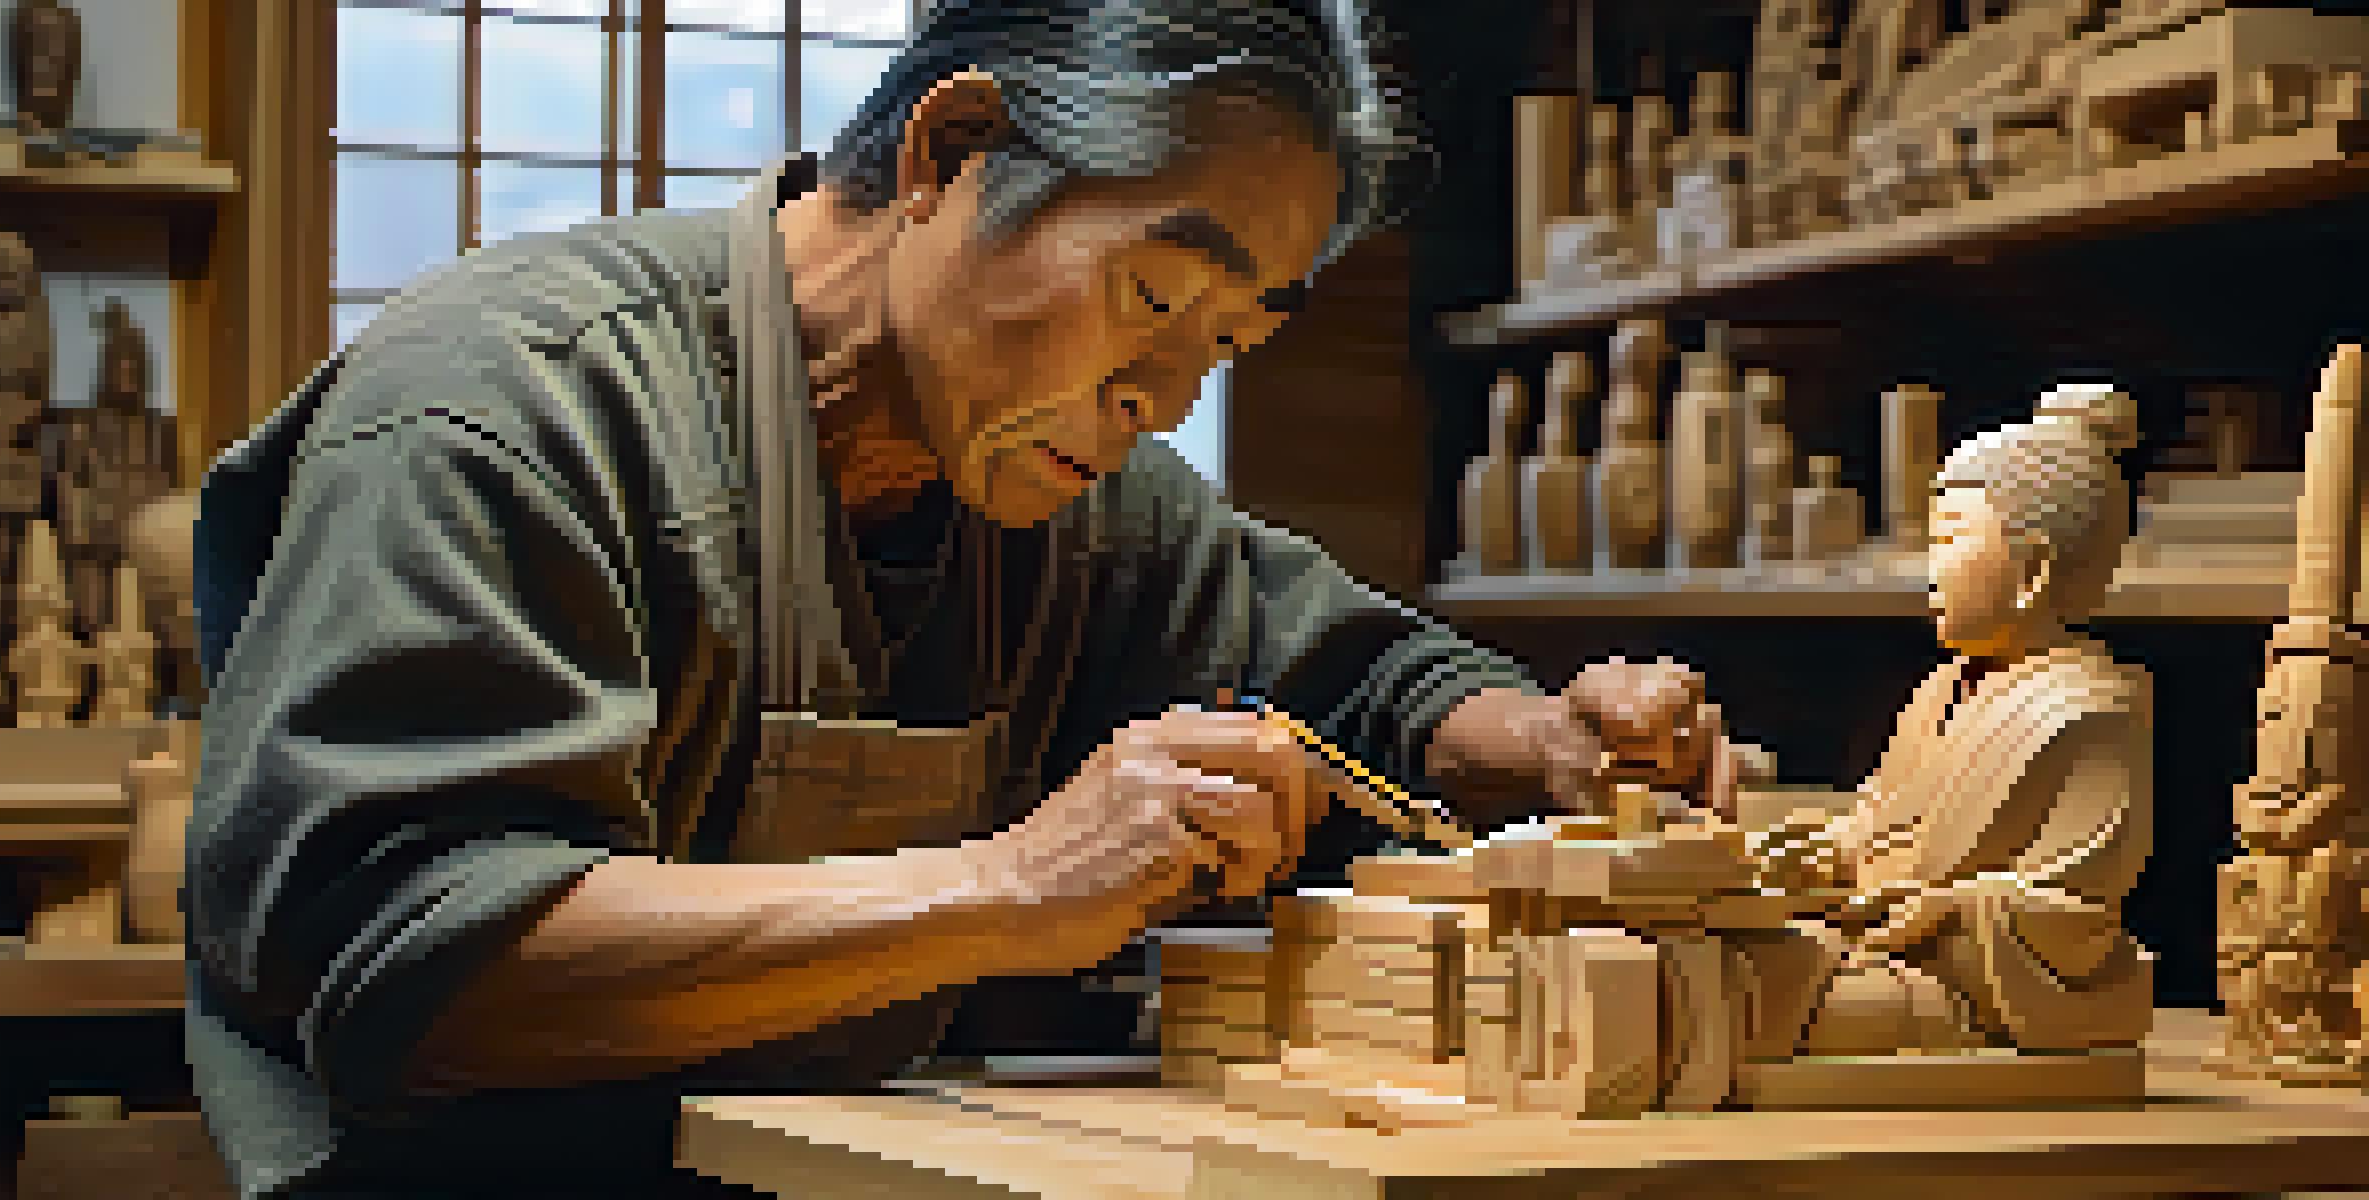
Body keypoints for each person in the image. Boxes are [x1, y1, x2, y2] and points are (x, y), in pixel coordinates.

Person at [188, 2, 1735, 1196]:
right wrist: (1008, 888)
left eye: (1229, 346)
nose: (1161, 399)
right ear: (947, 154)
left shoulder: (1068, 483)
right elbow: (418, 969)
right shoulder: (515, 403)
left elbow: (1348, 678)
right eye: (1150, 298)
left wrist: (1537, 745)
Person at [1735, 386, 2156, 1060]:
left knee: (1754, 995)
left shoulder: (2088, 715)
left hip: (1972, 986)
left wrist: (1951, 909)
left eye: (1949, 542)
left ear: (2035, 570)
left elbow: (2082, 917)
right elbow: (1883, 817)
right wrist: (1825, 851)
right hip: (1878, 943)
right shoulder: (1942, 691)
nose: (1928, 571)